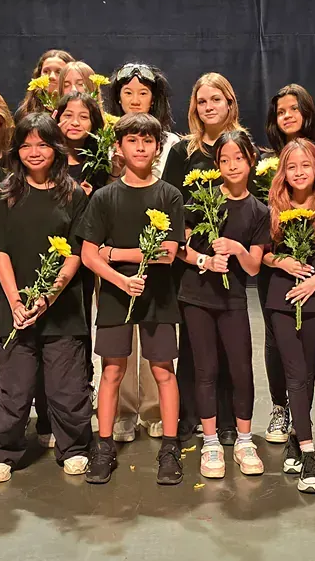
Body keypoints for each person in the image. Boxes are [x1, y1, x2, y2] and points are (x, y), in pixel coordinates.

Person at [0, 113, 93, 481]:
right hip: (15, 311)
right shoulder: (5, 194)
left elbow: (76, 253)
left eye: (42, 144)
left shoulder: (73, 194)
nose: (34, 152)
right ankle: (1, 449)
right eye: (26, 145)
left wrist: (48, 297)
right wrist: (15, 302)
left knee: (67, 388)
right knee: (15, 387)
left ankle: (74, 446)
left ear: (56, 148)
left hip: (61, 310)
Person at [78, 112, 186, 485]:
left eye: (147, 141)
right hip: (114, 294)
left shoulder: (169, 194)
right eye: (132, 141)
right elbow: (88, 254)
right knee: (112, 370)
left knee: (162, 371)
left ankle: (169, 448)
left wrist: (116, 253)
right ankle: (104, 445)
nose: (140, 147)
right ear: (119, 148)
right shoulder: (106, 197)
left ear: (157, 148)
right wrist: (120, 281)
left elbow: (168, 252)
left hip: (157, 295)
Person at [179, 130, 269, 478]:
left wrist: (237, 249)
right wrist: (204, 260)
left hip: (232, 299)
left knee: (240, 368)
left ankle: (245, 440)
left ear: (250, 162)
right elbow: (181, 249)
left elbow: (254, 266)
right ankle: (212, 441)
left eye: (239, 159)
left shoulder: (258, 210)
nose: (232, 166)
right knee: (205, 369)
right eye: (225, 160)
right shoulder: (201, 200)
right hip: (197, 297)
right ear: (216, 165)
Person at [261, 84, 315, 444]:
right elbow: (262, 244)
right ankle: (285, 412)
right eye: (280, 111)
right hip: (279, 285)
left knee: (305, 361)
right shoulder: (269, 173)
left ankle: (302, 421)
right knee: (279, 350)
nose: (287, 116)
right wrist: (281, 261)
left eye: (293, 109)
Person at [162, 72, 245, 444]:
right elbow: (170, 199)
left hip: (231, 260)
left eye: (216, 99)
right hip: (193, 257)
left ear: (230, 103)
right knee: (194, 345)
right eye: (202, 101)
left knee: (230, 346)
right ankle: (189, 416)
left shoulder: (240, 145)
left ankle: (227, 420)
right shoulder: (183, 150)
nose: (209, 107)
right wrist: (188, 240)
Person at [101, 62, 180, 442]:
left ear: (155, 97)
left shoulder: (170, 143)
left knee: (157, 346)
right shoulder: (107, 138)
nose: (135, 100)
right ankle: (124, 410)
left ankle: (154, 409)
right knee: (117, 348)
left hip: (155, 254)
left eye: (143, 93)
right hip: (111, 253)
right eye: (128, 93)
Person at [55, 91, 110, 196]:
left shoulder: (100, 160)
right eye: (68, 115)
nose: (75, 122)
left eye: (83, 117)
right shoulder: (47, 158)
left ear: (93, 123)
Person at [17, 49, 74, 115]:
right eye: (46, 71)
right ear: (39, 75)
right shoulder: (24, 112)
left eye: (59, 72)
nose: (51, 76)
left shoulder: (83, 109)